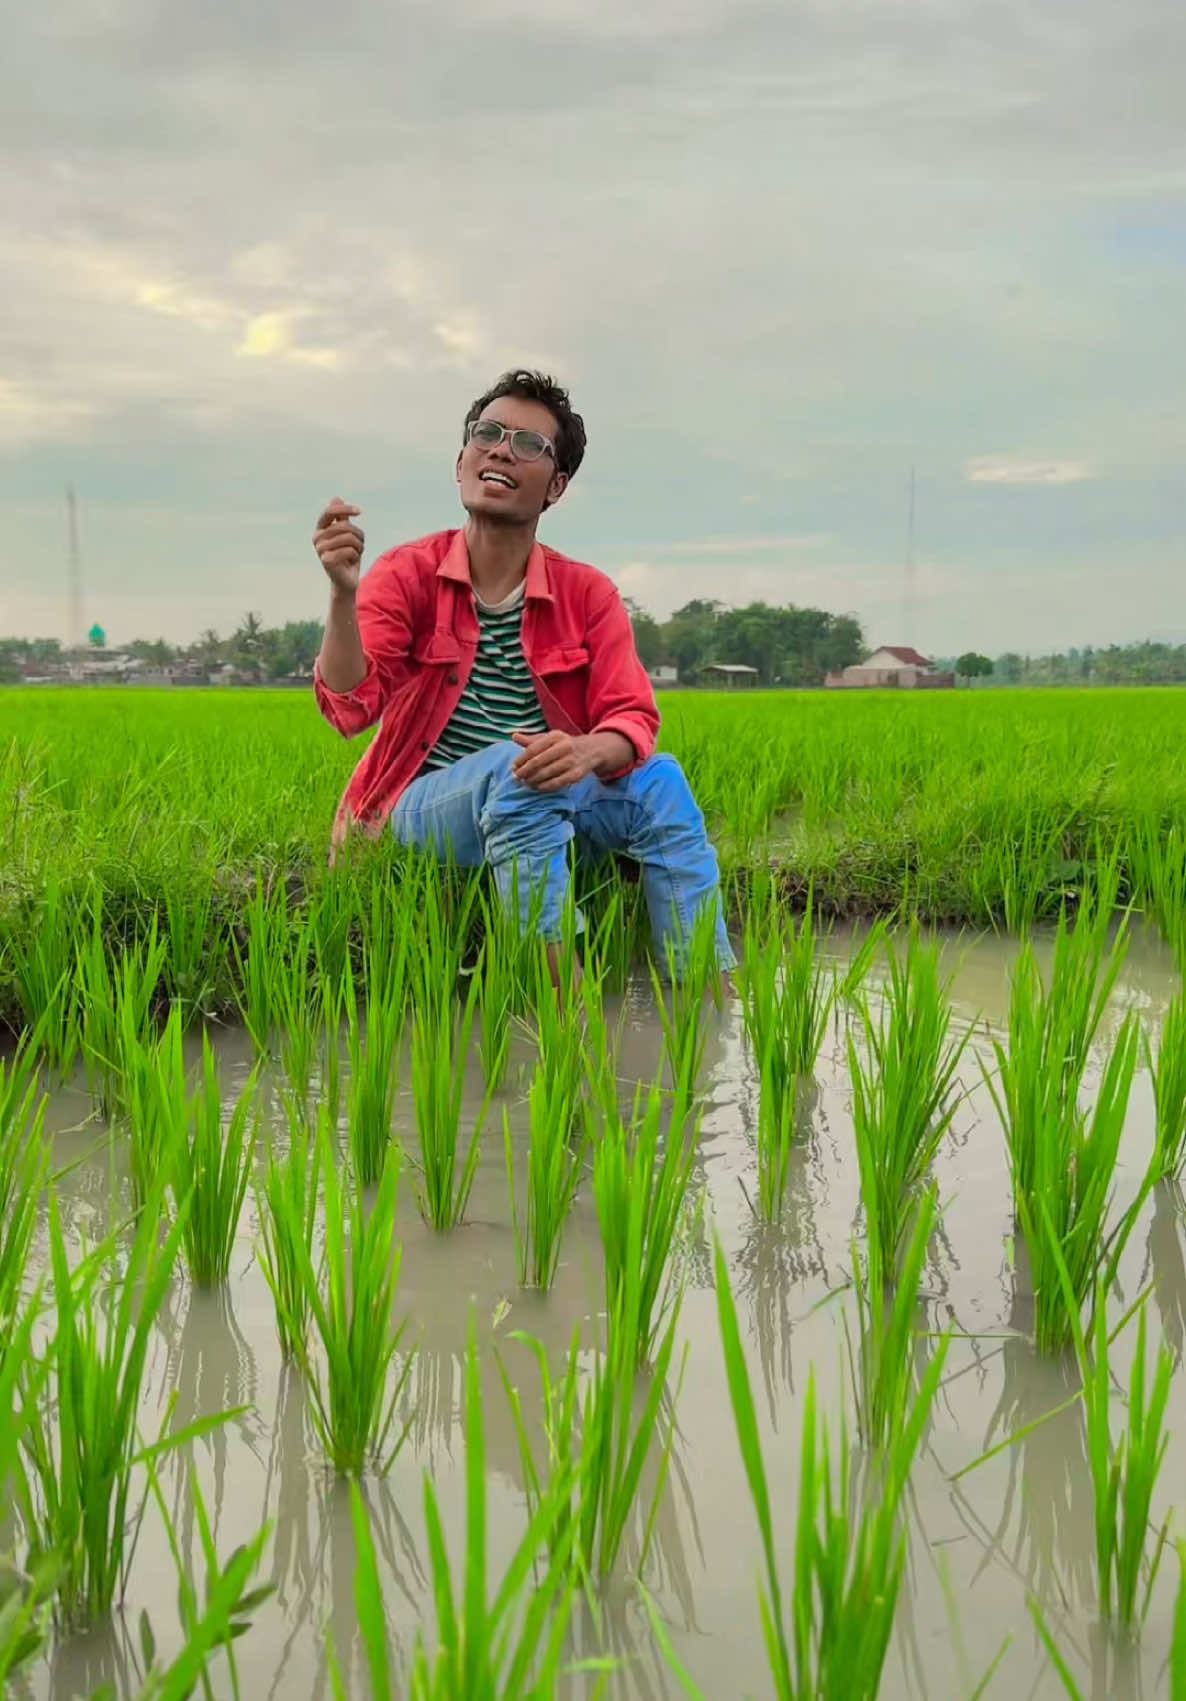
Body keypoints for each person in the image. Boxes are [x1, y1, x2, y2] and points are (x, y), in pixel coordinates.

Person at [311, 368, 735, 983]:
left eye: (530, 444)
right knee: (519, 774)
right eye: (488, 433)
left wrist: (584, 752)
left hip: (546, 801)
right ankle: (567, 1024)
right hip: (423, 808)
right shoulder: (408, 573)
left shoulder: (587, 594)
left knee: (662, 783)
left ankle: (709, 1007)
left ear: (555, 487)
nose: (503, 449)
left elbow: (633, 719)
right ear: (462, 460)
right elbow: (350, 706)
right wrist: (341, 597)